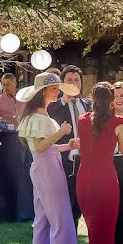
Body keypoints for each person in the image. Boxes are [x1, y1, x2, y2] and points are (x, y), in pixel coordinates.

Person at [18, 72, 82, 244]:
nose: (58, 91)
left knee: (45, 220)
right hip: (47, 172)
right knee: (62, 222)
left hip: (46, 169)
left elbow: (48, 148)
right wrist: (62, 132)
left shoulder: (42, 115)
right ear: (43, 92)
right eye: (54, 88)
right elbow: (41, 146)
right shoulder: (37, 117)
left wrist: (67, 144)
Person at [77, 82, 123, 244]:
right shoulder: (118, 122)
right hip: (106, 182)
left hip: (84, 183)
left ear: (92, 99)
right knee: (105, 241)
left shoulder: (82, 120)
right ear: (110, 101)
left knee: (93, 238)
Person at [47, 65, 89, 226]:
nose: (73, 83)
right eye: (69, 80)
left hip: (86, 162)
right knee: (65, 203)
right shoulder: (53, 106)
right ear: (62, 84)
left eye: (76, 80)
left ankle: (73, 233)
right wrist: (64, 99)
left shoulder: (87, 104)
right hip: (64, 161)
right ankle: (63, 235)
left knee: (80, 203)